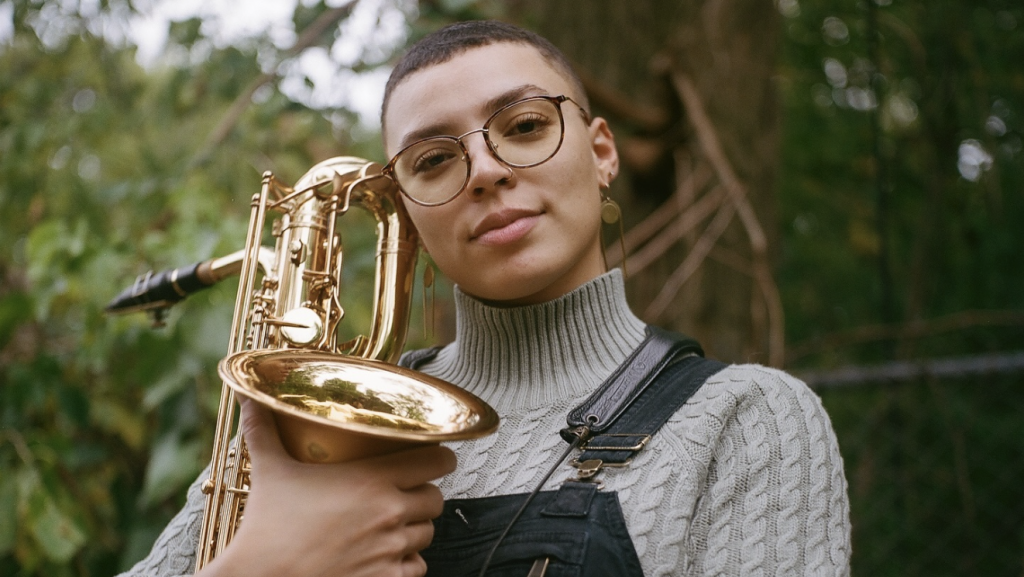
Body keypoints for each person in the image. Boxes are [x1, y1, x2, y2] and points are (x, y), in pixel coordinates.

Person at [120, 19, 851, 577]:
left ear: (601, 152)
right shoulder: (308, 426)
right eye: (434, 159)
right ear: (404, 208)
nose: (485, 171)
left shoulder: (750, 420)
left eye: (525, 125)